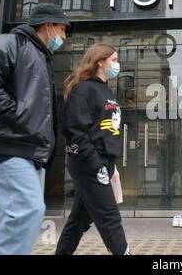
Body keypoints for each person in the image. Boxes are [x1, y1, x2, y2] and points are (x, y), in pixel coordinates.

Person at [0, 3, 69, 254]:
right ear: (47, 25)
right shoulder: (9, 43)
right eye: (62, 29)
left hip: (25, 148)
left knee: (13, 214)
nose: (64, 36)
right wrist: (17, 116)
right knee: (28, 210)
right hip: (7, 143)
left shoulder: (41, 55)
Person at [55, 44, 130, 255]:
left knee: (79, 220)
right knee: (110, 218)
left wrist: (110, 166)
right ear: (100, 61)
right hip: (89, 163)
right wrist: (96, 164)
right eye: (113, 60)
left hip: (103, 161)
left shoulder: (106, 90)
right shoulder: (84, 89)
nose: (117, 64)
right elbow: (74, 130)